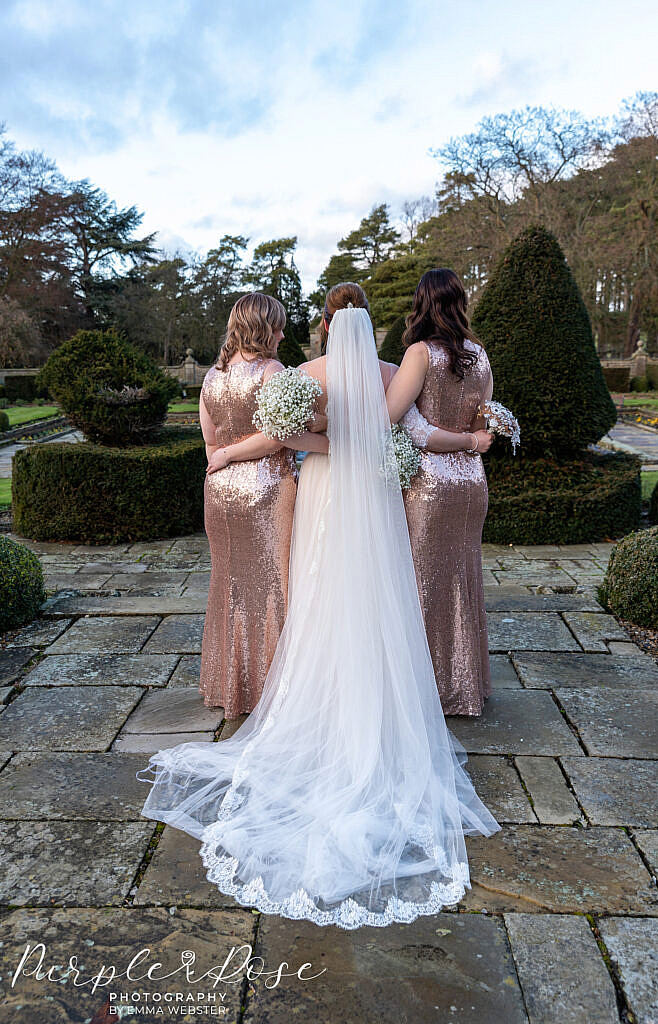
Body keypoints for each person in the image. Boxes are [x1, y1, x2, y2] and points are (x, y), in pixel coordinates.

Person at [137, 299, 499, 930]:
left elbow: (287, 435)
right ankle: (376, 691)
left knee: (318, 587)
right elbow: (405, 425)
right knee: (379, 585)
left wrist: (326, 442)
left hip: (329, 484)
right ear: (366, 325)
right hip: (378, 491)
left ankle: (321, 688)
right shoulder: (391, 370)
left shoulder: (307, 373)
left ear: (328, 324)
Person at [198, 292, 327, 717]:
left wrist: (225, 458)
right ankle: (274, 691)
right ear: (262, 328)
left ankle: (230, 686)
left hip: (219, 491)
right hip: (266, 489)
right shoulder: (272, 371)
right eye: (279, 326)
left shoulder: (211, 377)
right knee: (274, 586)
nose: (284, 333)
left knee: (229, 585)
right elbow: (278, 437)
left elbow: (212, 443)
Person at [385, 268, 494, 716]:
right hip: (471, 482)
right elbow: (483, 424)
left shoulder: (420, 354)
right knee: (462, 580)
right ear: (460, 302)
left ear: (422, 303)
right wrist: (472, 442)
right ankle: (465, 685)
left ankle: (425, 690)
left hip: (430, 484)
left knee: (424, 582)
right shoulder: (481, 355)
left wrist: (421, 425)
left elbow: (391, 416)